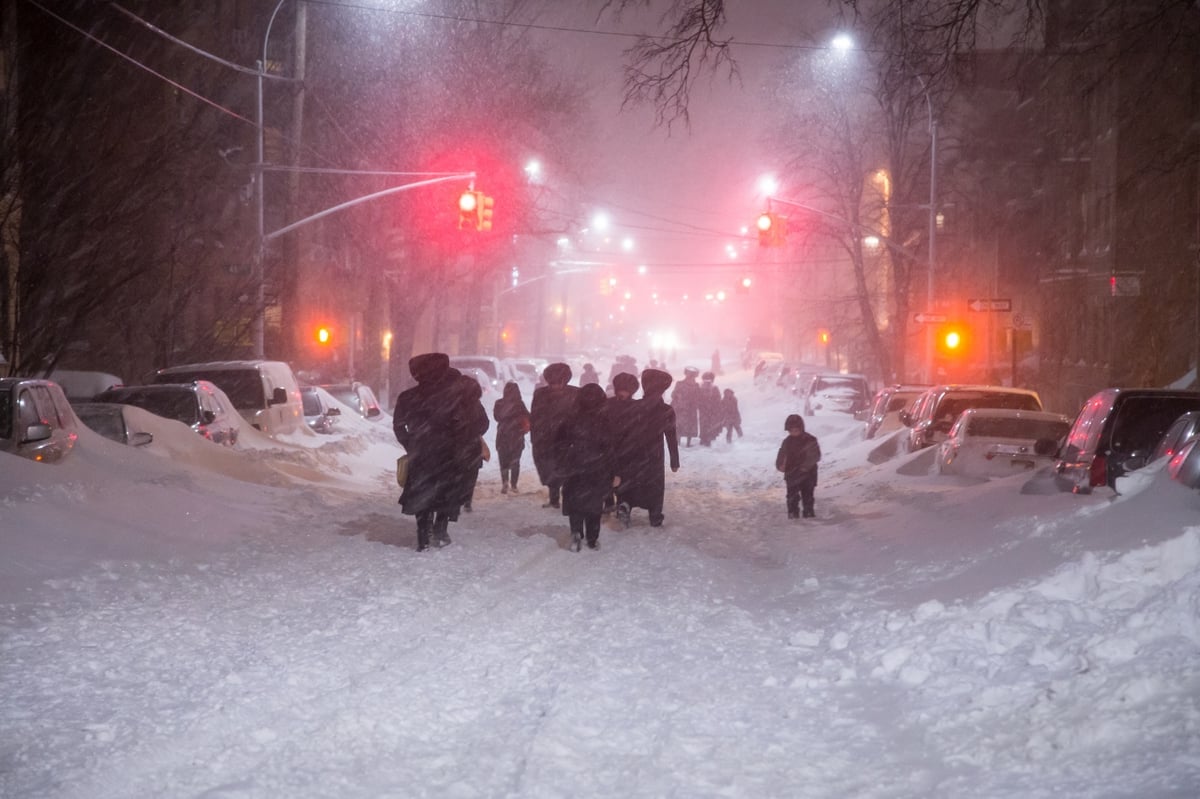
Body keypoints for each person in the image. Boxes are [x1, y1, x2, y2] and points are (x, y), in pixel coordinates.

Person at [393, 353, 484, 551]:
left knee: (422, 495)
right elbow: (481, 424)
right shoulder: (458, 396)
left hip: (422, 455)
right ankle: (440, 530)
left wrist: (411, 444)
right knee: (446, 494)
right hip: (450, 455)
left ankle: (423, 536)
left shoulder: (408, 397)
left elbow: (399, 426)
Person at [554, 383, 620, 551]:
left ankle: (576, 532)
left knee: (575, 502)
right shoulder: (605, 420)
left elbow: (559, 443)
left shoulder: (570, 417)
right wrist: (614, 471)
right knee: (594, 505)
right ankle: (592, 538)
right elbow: (610, 447)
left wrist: (563, 462)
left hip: (574, 467)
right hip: (597, 468)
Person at [616, 368, 680, 528]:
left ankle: (625, 504)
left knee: (629, 481)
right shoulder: (666, 410)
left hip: (630, 452)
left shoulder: (632, 406)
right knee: (654, 485)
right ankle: (655, 514)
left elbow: (621, 431)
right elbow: (671, 436)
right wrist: (674, 460)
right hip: (653, 455)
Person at [530, 362, 578, 508]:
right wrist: (536, 436)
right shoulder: (540, 394)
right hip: (546, 439)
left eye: (558, 383)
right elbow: (536, 416)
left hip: (568, 439)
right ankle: (554, 499)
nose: (555, 386)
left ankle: (569, 499)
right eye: (552, 383)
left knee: (568, 470)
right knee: (549, 469)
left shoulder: (575, 393)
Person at [606, 371, 641, 515]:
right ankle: (608, 502)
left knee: (625, 478)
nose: (622, 393)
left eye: (625, 391)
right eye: (621, 390)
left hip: (628, 447)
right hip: (610, 445)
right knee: (608, 475)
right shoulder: (607, 404)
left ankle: (623, 504)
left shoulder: (637, 407)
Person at [775, 413, 821, 519]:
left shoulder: (810, 440)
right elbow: (782, 455)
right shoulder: (787, 442)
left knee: (808, 495)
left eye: (795, 430)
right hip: (792, 474)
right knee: (792, 497)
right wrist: (780, 465)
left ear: (801, 428)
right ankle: (792, 513)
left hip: (808, 475)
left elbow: (815, 455)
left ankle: (808, 513)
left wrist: (805, 467)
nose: (793, 433)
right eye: (791, 430)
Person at [457, 374, 490, 513]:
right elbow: (485, 423)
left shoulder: (453, 405)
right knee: (471, 475)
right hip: (473, 446)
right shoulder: (477, 405)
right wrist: (475, 432)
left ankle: (456, 499)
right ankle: (467, 501)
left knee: (457, 473)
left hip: (456, 446)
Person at [492, 381, 530, 494]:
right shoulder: (519, 404)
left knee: (503, 460)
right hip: (516, 435)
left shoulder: (499, 403)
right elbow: (528, 417)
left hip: (502, 434)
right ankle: (514, 485)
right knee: (515, 460)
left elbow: (497, 417)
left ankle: (505, 483)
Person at [671, 366, 700, 447]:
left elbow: (698, 397)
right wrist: (678, 396)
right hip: (681, 408)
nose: (690, 377)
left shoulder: (696, 385)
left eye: (692, 375)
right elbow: (673, 394)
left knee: (689, 425)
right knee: (680, 425)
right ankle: (678, 442)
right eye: (689, 374)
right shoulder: (680, 384)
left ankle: (687, 443)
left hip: (691, 408)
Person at [697, 370, 722, 446]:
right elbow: (718, 399)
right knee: (709, 423)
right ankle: (707, 438)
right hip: (711, 409)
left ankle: (703, 438)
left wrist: (700, 405)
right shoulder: (714, 388)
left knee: (703, 423)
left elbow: (697, 398)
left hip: (703, 409)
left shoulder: (700, 387)